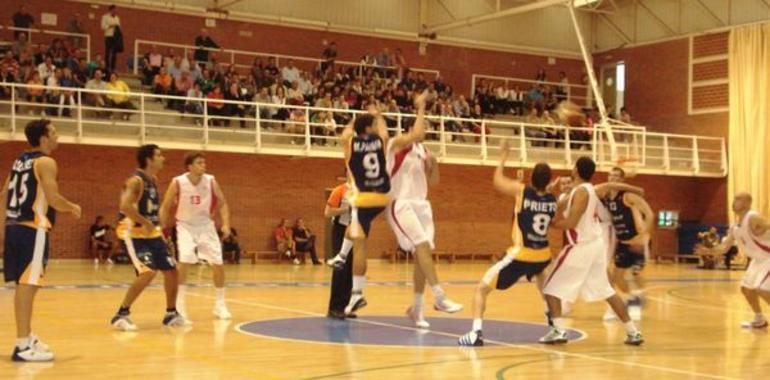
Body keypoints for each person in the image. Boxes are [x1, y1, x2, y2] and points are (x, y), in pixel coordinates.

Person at [459, 142, 555, 346]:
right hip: (543, 254)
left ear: (531, 178)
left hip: (522, 254)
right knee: (542, 281)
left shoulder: (522, 192)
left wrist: (503, 156)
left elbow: (498, 181)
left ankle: (475, 333)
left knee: (481, 288)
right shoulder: (551, 200)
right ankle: (554, 326)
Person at [539, 157, 643, 346]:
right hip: (595, 246)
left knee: (549, 288)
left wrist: (550, 224)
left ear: (577, 169)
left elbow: (571, 222)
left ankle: (558, 330)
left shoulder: (581, 192)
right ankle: (633, 332)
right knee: (607, 291)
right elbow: (610, 184)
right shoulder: (588, 189)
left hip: (581, 246)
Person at [2, 120, 82, 362]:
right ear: (44, 138)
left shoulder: (19, 161)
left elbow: (4, 194)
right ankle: (23, 344)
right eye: (54, 132)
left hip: (14, 227)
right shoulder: (46, 162)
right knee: (27, 287)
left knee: (26, 286)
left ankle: (26, 337)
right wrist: (73, 207)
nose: (58, 136)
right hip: (32, 230)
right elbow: (54, 198)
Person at [383, 91, 463, 327]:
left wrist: (433, 166)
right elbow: (416, 133)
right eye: (421, 124)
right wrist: (420, 106)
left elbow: (435, 181)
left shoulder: (424, 151)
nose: (424, 130)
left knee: (422, 254)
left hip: (421, 205)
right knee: (420, 245)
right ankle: (439, 297)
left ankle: (417, 309)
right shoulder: (396, 144)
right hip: (400, 203)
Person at [110, 144, 186, 331]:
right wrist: (144, 222)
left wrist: (158, 226)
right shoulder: (135, 181)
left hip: (151, 232)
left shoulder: (152, 179)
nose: (163, 158)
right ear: (149, 159)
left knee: (171, 270)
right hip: (131, 232)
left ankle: (171, 313)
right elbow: (125, 206)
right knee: (148, 271)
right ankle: (121, 314)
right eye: (159, 155)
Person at [336, 97, 398, 316]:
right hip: (383, 195)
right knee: (356, 230)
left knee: (360, 245)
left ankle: (356, 294)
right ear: (369, 128)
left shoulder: (351, 144)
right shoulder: (379, 141)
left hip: (364, 197)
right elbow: (385, 133)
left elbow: (344, 135)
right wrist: (378, 114)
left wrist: (355, 119)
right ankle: (342, 256)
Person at [159, 152, 232, 322]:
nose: (204, 165)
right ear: (189, 166)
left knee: (218, 263)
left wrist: (226, 223)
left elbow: (222, 203)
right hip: (185, 225)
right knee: (184, 261)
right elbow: (165, 206)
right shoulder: (177, 182)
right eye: (199, 163)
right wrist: (161, 227)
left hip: (206, 225)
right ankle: (180, 305)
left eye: (204, 162)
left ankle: (220, 305)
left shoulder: (211, 180)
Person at [696, 193, 770, 329]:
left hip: (768, 257)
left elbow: (767, 225)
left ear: (747, 203)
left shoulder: (753, 217)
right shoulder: (735, 225)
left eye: (738, 199)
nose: (734, 202)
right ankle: (760, 319)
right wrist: (709, 251)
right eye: (734, 199)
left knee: (762, 289)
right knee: (746, 289)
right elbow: (724, 247)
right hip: (758, 260)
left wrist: (764, 229)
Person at [601, 167, 654, 321]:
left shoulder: (628, 196)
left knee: (636, 274)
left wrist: (643, 236)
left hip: (637, 243)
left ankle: (636, 303)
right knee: (617, 277)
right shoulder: (606, 196)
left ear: (622, 180)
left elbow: (650, 214)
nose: (613, 178)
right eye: (611, 175)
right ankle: (632, 298)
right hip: (623, 243)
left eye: (617, 176)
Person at [324, 183, 355, 319]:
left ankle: (345, 306)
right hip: (340, 230)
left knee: (349, 270)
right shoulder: (340, 190)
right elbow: (328, 212)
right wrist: (346, 209)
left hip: (354, 232)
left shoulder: (362, 190)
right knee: (340, 269)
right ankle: (334, 308)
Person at [101, 5, 123, 74]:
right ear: (111, 10)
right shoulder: (105, 17)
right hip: (108, 36)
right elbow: (103, 27)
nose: (116, 11)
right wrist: (111, 26)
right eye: (115, 10)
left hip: (115, 37)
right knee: (107, 52)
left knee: (114, 53)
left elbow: (119, 26)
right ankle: (107, 67)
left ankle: (113, 67)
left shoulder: (117, 18)